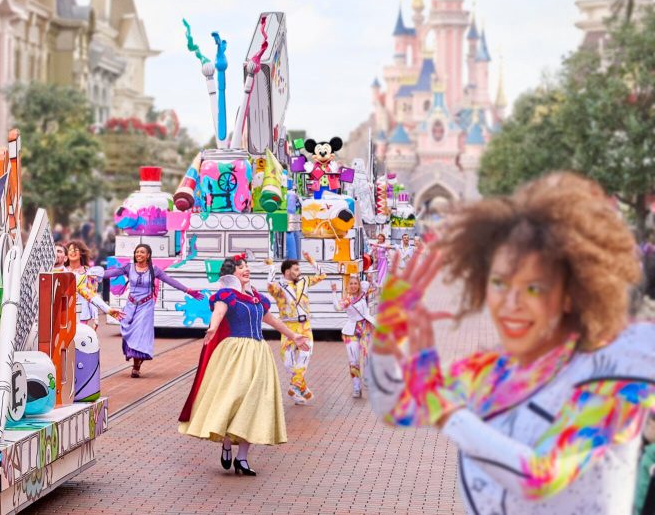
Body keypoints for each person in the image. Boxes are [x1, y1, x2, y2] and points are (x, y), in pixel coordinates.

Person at [368, 172, 654, 514]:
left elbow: (540, 477)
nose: (511, 303)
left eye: (534, 287)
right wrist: (386, 341)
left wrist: (447, 410)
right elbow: (397, 407)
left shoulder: (614, 378)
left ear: (571, 293)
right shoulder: (491, 372)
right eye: (500, 283)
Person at [178, 256, 310, 476]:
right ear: (232, 273)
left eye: (247, 267)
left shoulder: (256, 298)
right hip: (235, 353)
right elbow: (219, 312)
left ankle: (242, 458)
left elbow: (271, 320)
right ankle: (227, 443)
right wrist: (213, 327)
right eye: (241, 267)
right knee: (234, 398)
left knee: (255, 403)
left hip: (258, 353)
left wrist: (293, 335)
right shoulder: (226, 295)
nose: (246, 269)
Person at [99, 244, 203, 378]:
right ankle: (135, 358)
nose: (139, 254)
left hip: (146, 306)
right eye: (137, 252)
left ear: (148, 255)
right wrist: (92, 274)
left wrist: (188, 290)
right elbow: (110, 273)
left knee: (139, 335)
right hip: (130, 305)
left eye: (142, 252)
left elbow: (170, 281)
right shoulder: (129, 267)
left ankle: (136, 366)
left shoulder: (155, 270)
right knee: (128, 334)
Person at [266, 254, 324, 403]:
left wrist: (312, 261)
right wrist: (271, 266)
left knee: (305, 355)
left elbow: (322, 274)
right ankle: (301, 388)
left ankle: (295, 385)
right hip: (287, 326)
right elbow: (270, 285)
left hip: (304, 326)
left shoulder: (304, 281)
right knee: (288, 363)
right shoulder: (279, 287)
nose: (299, 271)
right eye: (296, 269)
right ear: (287, 271)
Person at [331, 275, 377, 398]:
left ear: (359, 285)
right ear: (347, 286)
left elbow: (377, 288)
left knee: (367, 356)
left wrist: (371, 281)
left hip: (365, 329)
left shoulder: (363, 294)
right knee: (353, 360)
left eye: (355, 283)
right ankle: (356, 387)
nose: (353, 286)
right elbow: (336, 307)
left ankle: (367, 378)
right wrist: (334, 292)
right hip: (351, 332)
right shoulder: (346, 300)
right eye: (350, 284)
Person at [65, 240, 120, 328]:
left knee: (79, 337)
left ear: (81, 253)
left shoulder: (90, 272)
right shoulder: (62, 271)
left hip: (82, 312)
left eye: (75, 250)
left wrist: (96, 318)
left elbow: (92, 295)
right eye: (70, 250)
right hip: (64, 311)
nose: (72, 252)